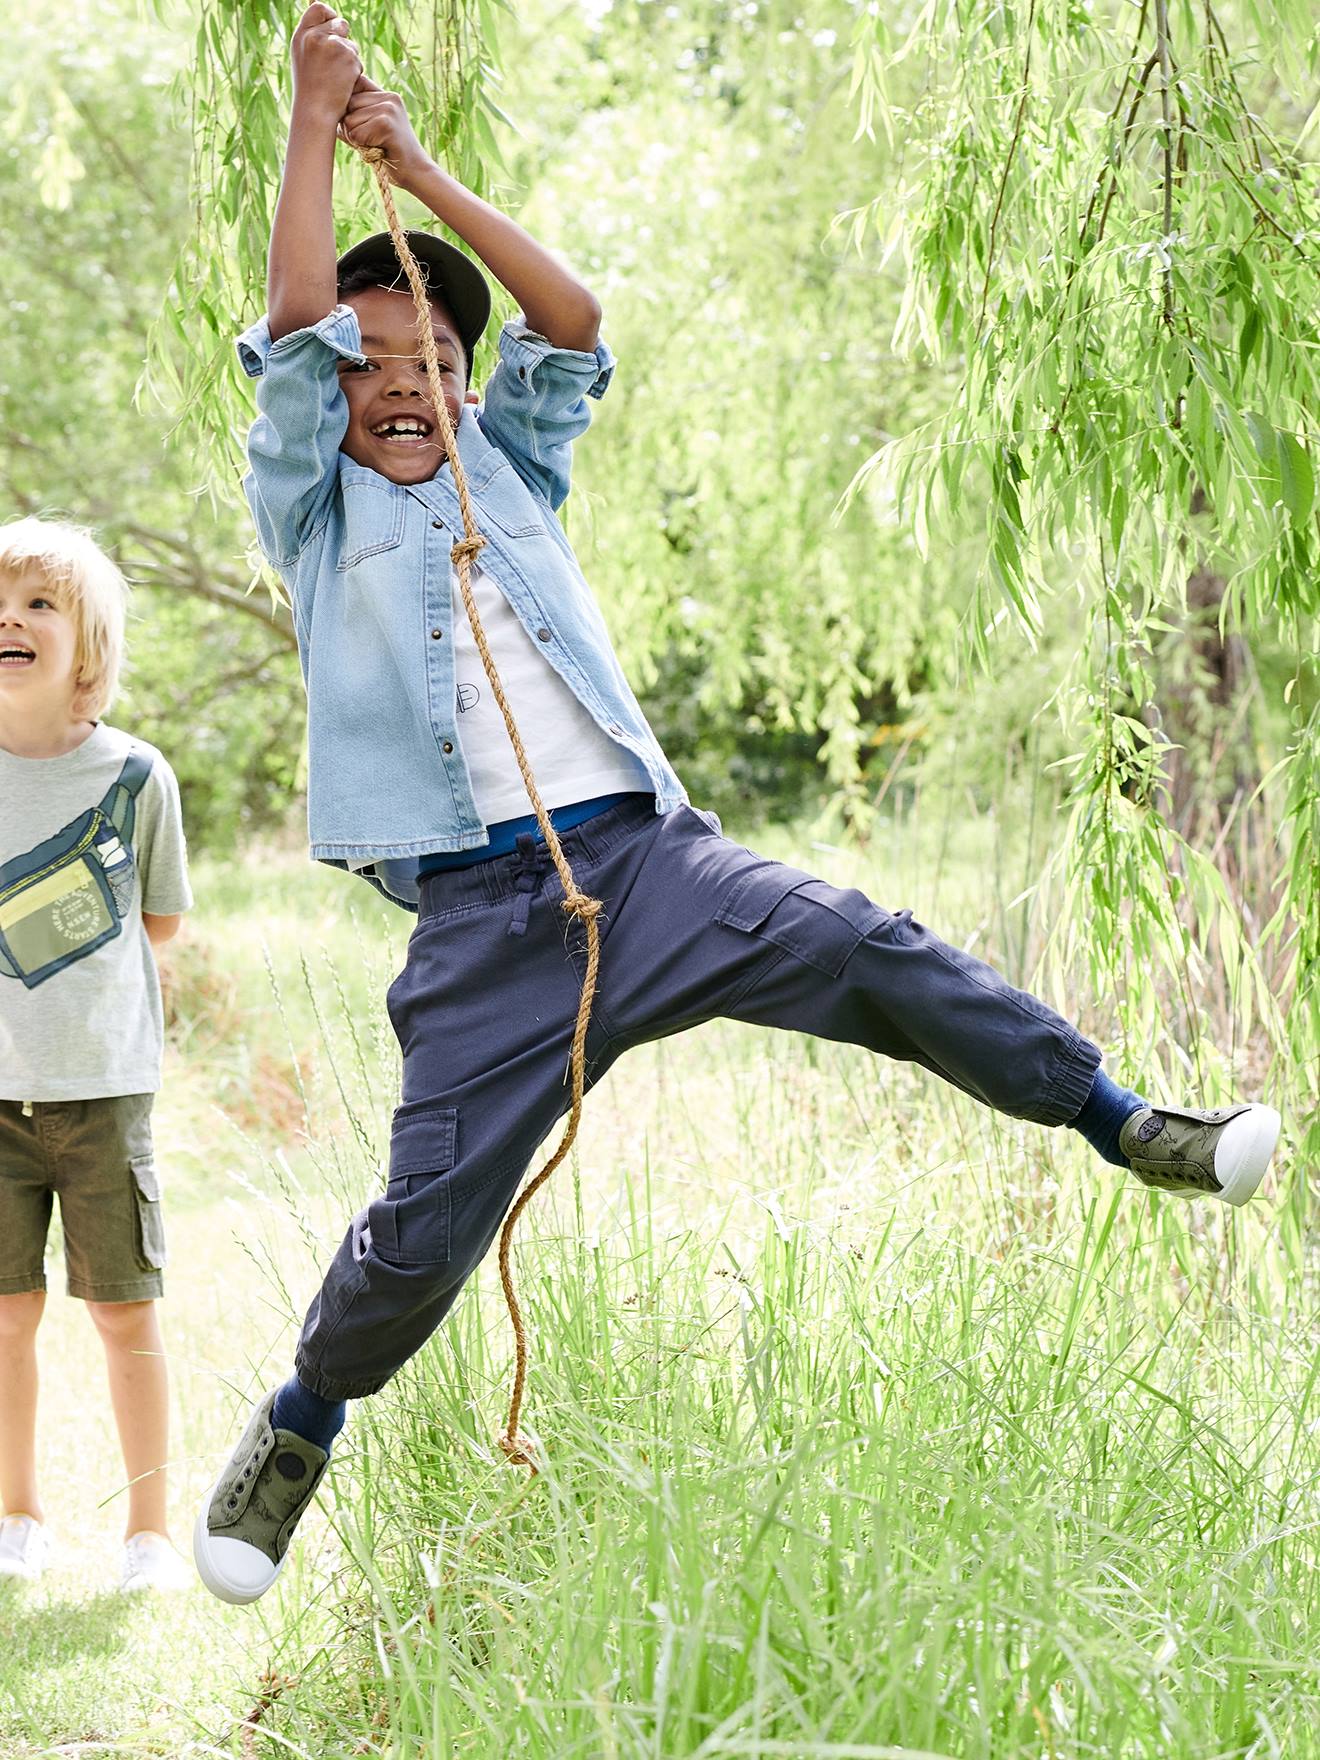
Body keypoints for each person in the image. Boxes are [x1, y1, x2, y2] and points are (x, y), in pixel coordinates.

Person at [193, 3, 1281, 1605]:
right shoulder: (313, 502)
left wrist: (417, 169)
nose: (406, 385)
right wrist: (310, 120)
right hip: (485, 932)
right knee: (423, 1232)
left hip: (643, 868)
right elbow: (292, 333)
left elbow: (572, 317)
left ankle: (1124, 1122)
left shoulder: (516, 470)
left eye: (435, 360)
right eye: (377, 369)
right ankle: (302, 1421)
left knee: (860, 939)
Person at [0, 518, 193, 1591]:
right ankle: (18, 1515)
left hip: (104, 1091)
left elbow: (154, 924)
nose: (10, 619)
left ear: (88, 647)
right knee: (5, 1316)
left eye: (38, 603)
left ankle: (149, 1533)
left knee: (125, 1311)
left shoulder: (137, 776)